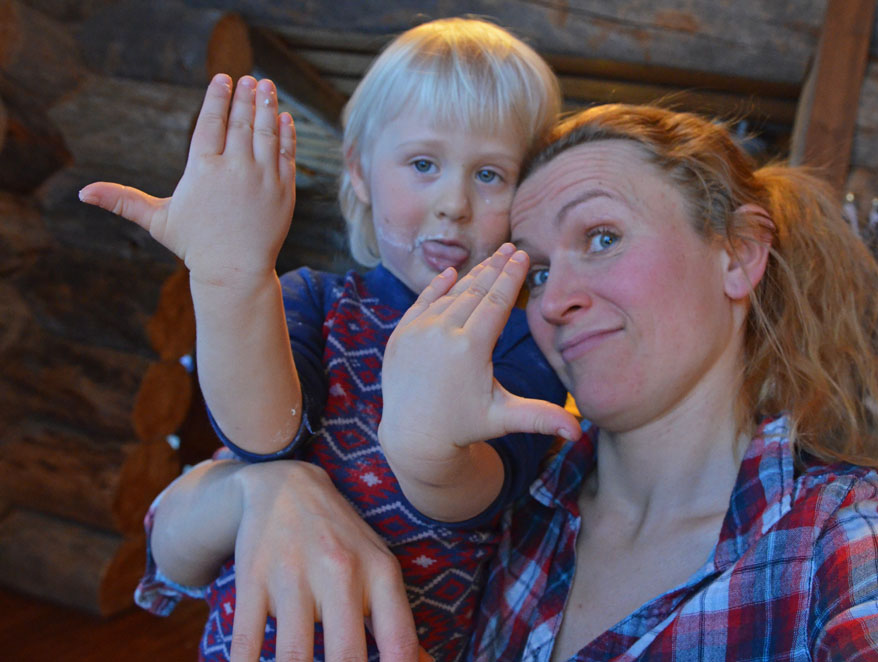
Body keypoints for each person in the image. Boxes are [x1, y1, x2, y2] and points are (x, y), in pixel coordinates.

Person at [169, 102, 878, 661]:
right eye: (531, 272)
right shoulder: (523, 494)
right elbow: (170, 552)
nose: (555, 299)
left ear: (739, 255)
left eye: (600, 237)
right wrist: (269, 489)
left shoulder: (849, 543)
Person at [79, 17, 571, 662]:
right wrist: (232, 275)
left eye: (490, 175)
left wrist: (433, 450)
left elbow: (476, 497)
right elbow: (263, 436)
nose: (453, 202)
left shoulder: (523, 339)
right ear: (360, 171)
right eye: (424, 163)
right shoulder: (316, 299)